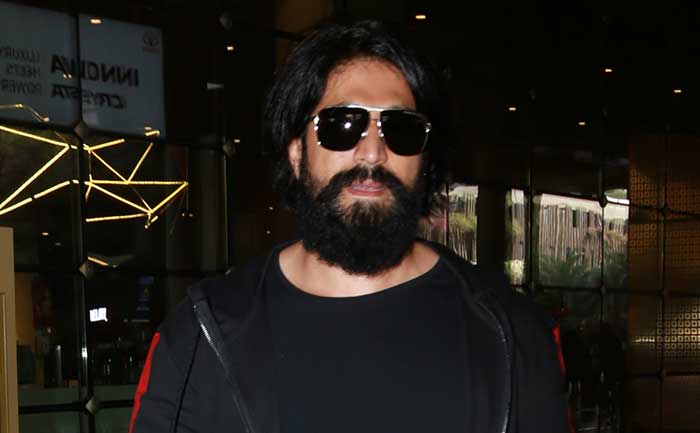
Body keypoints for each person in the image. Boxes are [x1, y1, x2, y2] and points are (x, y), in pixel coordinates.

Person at [129, 20, 569, 433]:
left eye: (401, 129)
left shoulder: (513, 335)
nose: (373, 152)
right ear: (297, 152)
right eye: (342, 125)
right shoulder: (200, 336)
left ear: (424, 158)